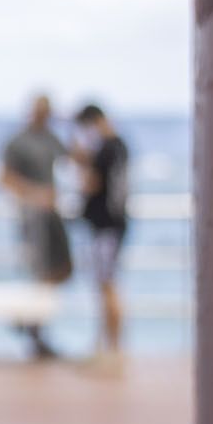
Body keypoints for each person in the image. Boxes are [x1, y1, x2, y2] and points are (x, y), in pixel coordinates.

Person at [0, 90, 71, 361]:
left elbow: (74, 159)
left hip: (52, 214)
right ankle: (34, 333)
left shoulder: (52, 138)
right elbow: (3, 178)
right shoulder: (17, 142)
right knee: (39, 272)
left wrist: (69, 124)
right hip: (31, 216)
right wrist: (35, 194)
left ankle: (28, 323)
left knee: (60, 270)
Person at [70, 99, 133, 357]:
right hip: (115, 224)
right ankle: (106, 346)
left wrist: (80, 166)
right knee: (106, 285)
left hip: (106, 226)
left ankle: (113, 349)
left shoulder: (106, 149)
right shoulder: (119, 146)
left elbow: (92, 183)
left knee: (107, 286)